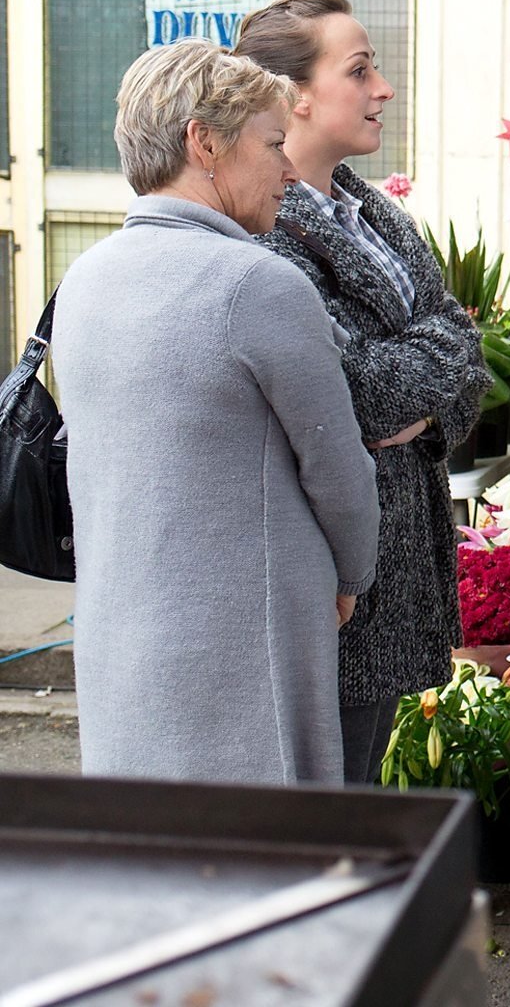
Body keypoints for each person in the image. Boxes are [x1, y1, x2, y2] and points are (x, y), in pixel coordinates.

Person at [55, 39, 379, 784]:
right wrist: (350, 577)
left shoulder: (84, 279)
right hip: (243, 657)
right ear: (205, 143)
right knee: (261, 869)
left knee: (151, 862)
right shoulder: (256, 286)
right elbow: (338, 469)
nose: (291, 171)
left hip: (120, 643)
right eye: (273, 144)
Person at [235, 0, 493, 784]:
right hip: (333, 585)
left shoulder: (372, 211)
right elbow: (356, 394)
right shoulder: (263, 231)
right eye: (361, 69)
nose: (383, 87)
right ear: (294, 98)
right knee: (320, 818)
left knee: (352, 801)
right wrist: (428, 372)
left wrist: (424, 385)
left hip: (396, 573)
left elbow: (469, 362)